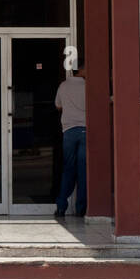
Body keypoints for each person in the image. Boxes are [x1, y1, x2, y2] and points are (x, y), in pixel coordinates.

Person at [54, 63, 86, 219]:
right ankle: (81, 209)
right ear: (81, 70)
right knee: (83, 171)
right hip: (85, 130)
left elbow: (58, 106)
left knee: (68, 169)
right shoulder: (88, 86)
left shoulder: (63, 85)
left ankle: (61, 207)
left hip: (68, 131)